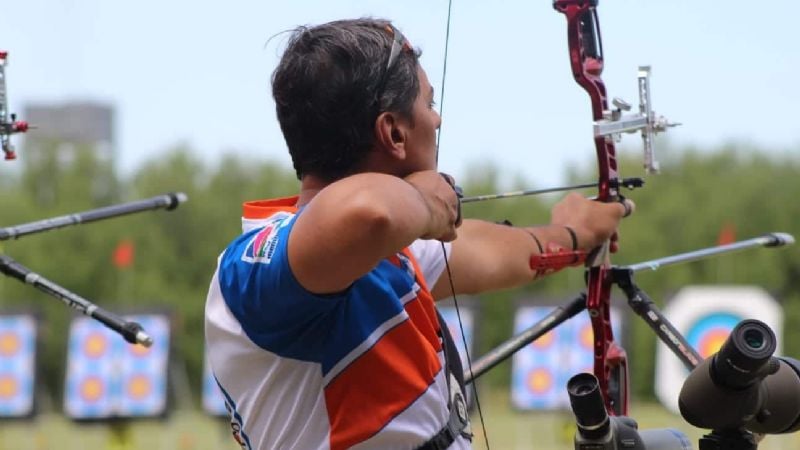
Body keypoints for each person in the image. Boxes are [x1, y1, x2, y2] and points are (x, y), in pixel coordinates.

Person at [204, 18, 633, 450]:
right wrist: (425, 202)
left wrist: (575, 232)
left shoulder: (388, 255)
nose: (438, 118)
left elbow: (497, 252)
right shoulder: (252, 269)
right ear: (393, 132)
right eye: (429, 103)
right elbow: (368, 212)